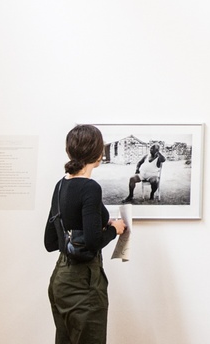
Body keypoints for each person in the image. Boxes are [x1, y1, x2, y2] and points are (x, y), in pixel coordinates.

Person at [44, 124, 127, 344]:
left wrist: (95, 223)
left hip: (60, 279)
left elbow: (50, 241)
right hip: (84, 283)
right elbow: (92, 242)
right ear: (97, 153)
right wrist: (114, 229)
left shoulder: (60, 186)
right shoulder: (90, 187)